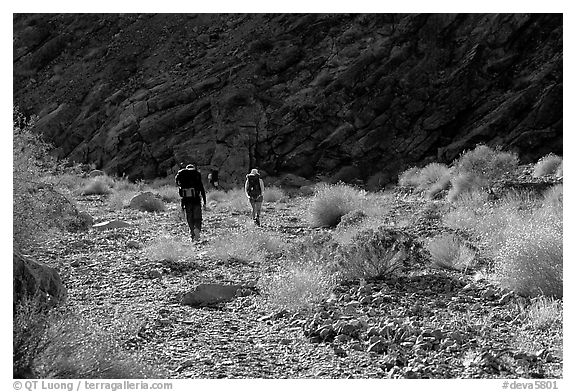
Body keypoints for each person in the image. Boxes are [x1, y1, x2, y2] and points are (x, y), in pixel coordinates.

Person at [175, 164, 207, 241]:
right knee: (198, 218)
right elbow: (202, 190)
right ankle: (197, 230)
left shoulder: (182, 175)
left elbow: (180, 190)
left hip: (186, 201)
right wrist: (204, 202)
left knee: (190, 218)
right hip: (196, 200)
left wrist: (182, 206)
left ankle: (192, 233)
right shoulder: (196, 175)